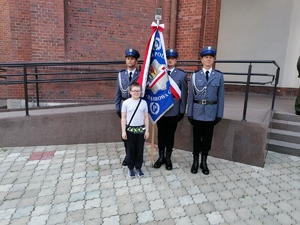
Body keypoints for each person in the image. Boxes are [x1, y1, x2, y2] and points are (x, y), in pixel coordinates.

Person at [187, 46, 225, 175]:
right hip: (197, 112)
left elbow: (221, 96)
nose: (208, 59)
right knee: (196, 138)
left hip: (211, 113)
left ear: (213, 60)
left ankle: (204, 162)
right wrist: (190, 113)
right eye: (206, 57)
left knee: (207, 139)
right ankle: (195, 161)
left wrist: (219, 114)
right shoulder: (194, 76)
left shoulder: (219, 76)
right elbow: (191, 96)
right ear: (201, 59)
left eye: (210, 57)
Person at [153, 48, 188, 170]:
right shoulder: (159, 73)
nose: (170, 60)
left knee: (170, 136)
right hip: (161, 109)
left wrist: (182, 110)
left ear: (176, 60)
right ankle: (161, 157)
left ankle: (168, 158)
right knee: (161, 135)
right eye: (168, 58)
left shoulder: (181, 75)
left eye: (172, 58)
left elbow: (184, 94)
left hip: (174, 110)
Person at [115, 48, 140, 166]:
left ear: (136, 61)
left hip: (137, 108)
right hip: (124, 107)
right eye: (128, 58)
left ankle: (136, 156)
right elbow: (118, 93)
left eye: (132, 59)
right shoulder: (121, 75)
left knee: (136, 134)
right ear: (126, 60)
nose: (130, 61)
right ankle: (128, 155)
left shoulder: (140, 75)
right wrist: (117, 107)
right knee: (125, 134)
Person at [121, 82, 149, 178]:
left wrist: (147, 130)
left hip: (140, 129)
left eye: (138, 91)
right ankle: (130, 168)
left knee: (139, 149)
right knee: (130, 150)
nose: (137, 92)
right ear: (130, 92)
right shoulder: (126, 103)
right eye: (134, 91)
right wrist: (123, 131)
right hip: (130, 130)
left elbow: (146, 117)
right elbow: (123, 117)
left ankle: (138, 167)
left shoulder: (144, 103)